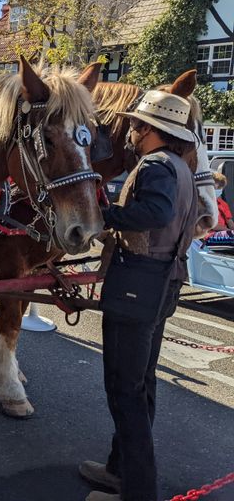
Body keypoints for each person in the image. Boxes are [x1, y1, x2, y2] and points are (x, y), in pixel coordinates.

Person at [81, 91, 198, 501]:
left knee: (124, 389)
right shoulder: (180, 167)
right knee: (141, 383)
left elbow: (157, 214)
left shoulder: (155, 165)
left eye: (135, 125)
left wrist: (105, 215)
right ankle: (120, 471)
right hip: (161, 282)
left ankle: (137, 492)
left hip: (137, 285)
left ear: (151, 130)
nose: (129, 131)